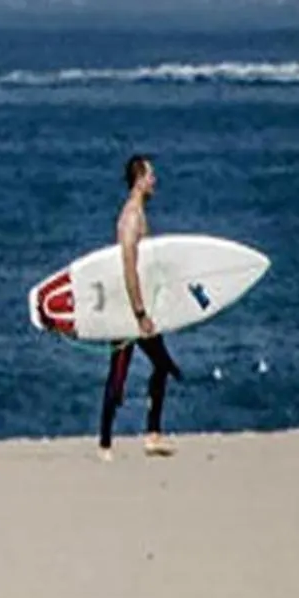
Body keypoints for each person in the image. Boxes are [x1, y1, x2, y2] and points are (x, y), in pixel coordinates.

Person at [99, 154, 183, 460]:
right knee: (118, 376)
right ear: (139, 179)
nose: (154, 180)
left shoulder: (139, 213)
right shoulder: (131, 217)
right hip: (129, 313)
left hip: (138, 309)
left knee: (162, 366)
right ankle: (106, 444)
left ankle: (152, 434)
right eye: (150, 175)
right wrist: (139, 314)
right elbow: (129, 268)